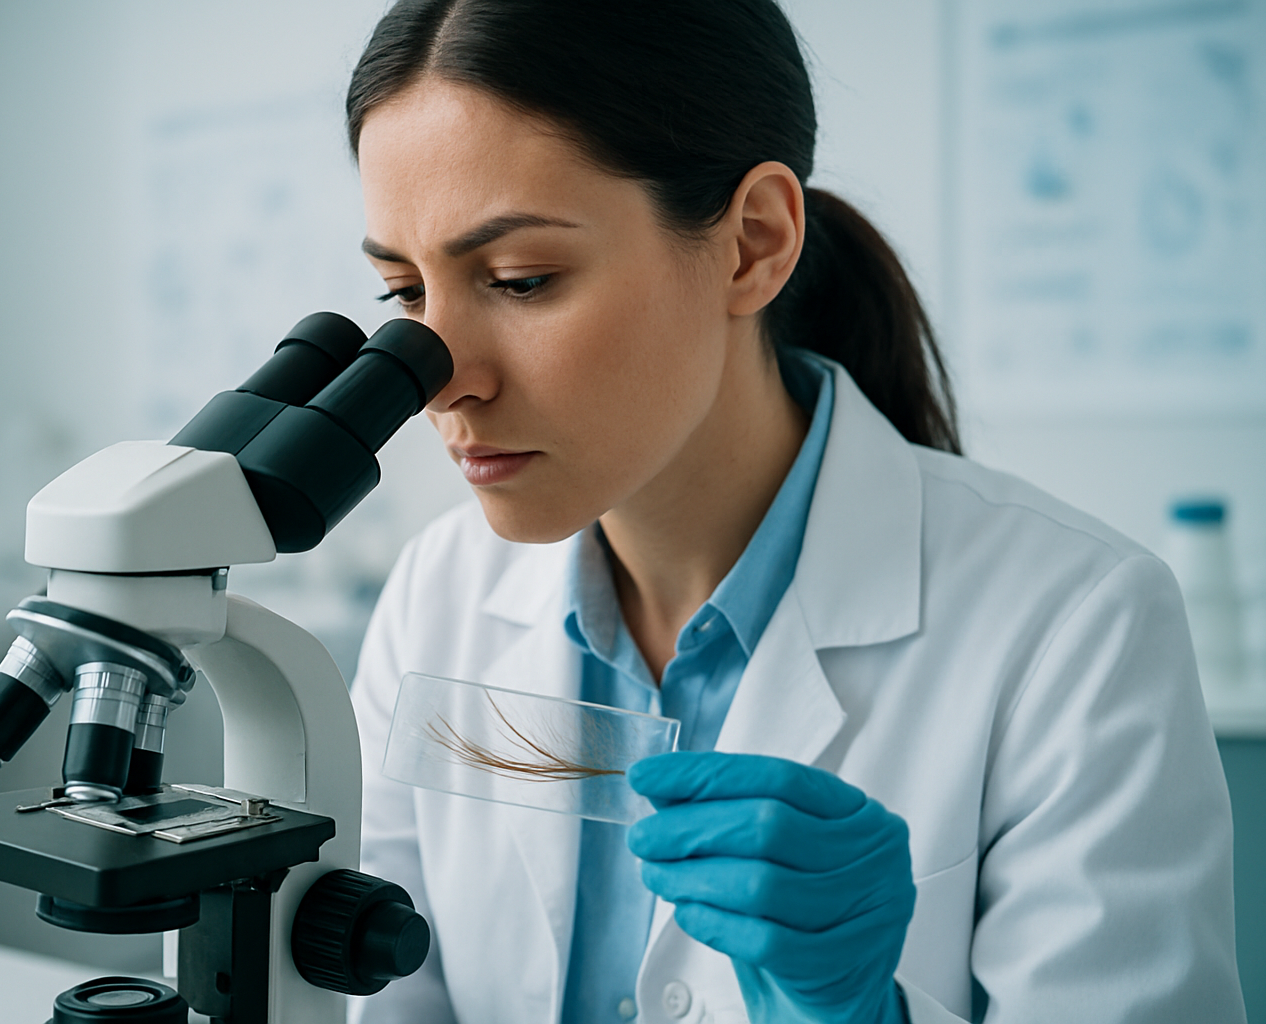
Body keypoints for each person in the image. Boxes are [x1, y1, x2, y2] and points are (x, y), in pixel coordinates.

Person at [341, 2, 1246, 1022]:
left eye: (521, 278)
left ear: (752, 245)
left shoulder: (1078, 623)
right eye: (404, 293)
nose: (438, 379)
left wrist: (867, 1012)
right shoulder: (436, 597)